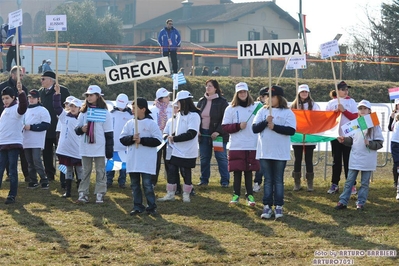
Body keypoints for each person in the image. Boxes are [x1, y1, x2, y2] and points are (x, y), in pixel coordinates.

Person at [252, 85, 296, 219]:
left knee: (278, 180)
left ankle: (278, 206)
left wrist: (275, 127)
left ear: (279, 98)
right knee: (268, 180)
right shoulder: (262, 112)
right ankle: (266, 206)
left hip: (280, 152)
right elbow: (254, 128)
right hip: (265, 151)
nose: (268, 99)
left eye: (272, 96)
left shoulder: (287, 112)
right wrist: (266, 122)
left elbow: (291, 130)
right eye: (267, 96)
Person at [334, 100, 383, 211]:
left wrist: (370, 144)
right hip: (355, 157)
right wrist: (344, 140)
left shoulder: (375, 125)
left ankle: (361, 202)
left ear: (369, 110)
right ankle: (343, 201)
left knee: (364, 183)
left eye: (365, 108)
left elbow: (380, 143)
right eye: (360, 108)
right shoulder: (355, 123)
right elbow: (352, 140)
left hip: (368, 158)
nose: (363, 110)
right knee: (349, 181)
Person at [120, 97, 162, 215]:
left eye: (135, 108)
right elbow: (122, 138)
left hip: (146, 160)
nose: (132, 110)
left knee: (147, 185)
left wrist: (142, 140)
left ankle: (151, 206)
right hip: (133, 159)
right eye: (132, 107)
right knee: (134, 185)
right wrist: (132, 138)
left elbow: (158, 140)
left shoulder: (151, 123)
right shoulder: (130, 123)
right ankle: (137, 206)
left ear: (143, 109)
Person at [157, 90, 201, 203]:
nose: (178, 105)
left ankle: (186, 194)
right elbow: (177, 131)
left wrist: (175, 138)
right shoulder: (179, 115)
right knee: (171, 169)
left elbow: (192, 133)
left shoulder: (194, 115)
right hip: (177, 149)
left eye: (179, 102)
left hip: (189, 150)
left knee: (186, 171)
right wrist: (171, 136)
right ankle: (170, 193)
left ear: (184, 102)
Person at [222, 82, 259, 206]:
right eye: (240, 92)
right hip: (237, 144)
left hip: (252, 144)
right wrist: (238, 126)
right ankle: (236, 194)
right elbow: (225, 127)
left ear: (248, 93)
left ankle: (250, 195)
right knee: (237, 171)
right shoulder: (230, 108)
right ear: (236, 94)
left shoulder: (256, 107)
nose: (242, 94)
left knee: (249, 171)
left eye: (244, 92)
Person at [74, 85, 113, 204]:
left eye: (91, 95)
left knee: (100, 170)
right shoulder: (83, 112)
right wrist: (82, 129)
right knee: (85, 170)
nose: (89, 97)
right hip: (85, 146)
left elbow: (109, 132)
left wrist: (109, 150)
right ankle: (83, 193)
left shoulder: (105, 113)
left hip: (100, 146)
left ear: (98, 96)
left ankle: (100, 193)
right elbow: (76, 129)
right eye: (87, 95)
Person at [325, 81, 358, 194]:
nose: (345, 91)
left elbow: (355, 117)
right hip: (336, 135)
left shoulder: (351, 102)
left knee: (349, 160)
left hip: (349, 135)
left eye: (346, 89)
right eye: (343, 89)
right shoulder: (331, 103)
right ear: (337, 90)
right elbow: (327, 120)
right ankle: (334, 184)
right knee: (336, 161)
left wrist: (344, 110)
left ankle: (351, 184)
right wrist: (334, 113)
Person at [38, 71, 70, 182]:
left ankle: (65, 174)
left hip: (59, 128)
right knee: (46, 153)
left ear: (51, 80)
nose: (41, 81)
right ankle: (49, 174)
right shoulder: (40, 92)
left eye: (43, 79)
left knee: (62, 153)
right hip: (46, 128)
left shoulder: (62, 90)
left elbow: (68, 107)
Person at [197, 79, 230, 187]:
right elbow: (196, 117)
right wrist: (197, 129)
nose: (208, 88)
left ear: (216, 88)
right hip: (204, 134)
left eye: (210, 86)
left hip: (218, 135)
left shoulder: (222, 102)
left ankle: (225, 181)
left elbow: (226, 119)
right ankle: (204, 180)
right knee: (204, 157)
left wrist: (218, 131)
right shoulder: (201, 101)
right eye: (207, 86)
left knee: (221, 157)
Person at [0, 66, 29, 181]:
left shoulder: (24, 89)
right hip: (4, 121)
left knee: (20, 151)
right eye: (20, 75)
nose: (21, 77)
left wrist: (20, 92)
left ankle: (26, 174)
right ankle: (8, 174)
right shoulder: (2, 86)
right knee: (4, 153)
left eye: (22, 75)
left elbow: (23, 106)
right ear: (13, 75)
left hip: (17, 122)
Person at [290, 84, 320, 191]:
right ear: (299, 93)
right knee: (297, 159)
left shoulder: (314, 105)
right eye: (302, 92)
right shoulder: (293, 106)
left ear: (308, 93)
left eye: (305, 92)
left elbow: (317, 118)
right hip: (297, 136)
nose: (304, 94)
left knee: (309, 159)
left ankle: (310, 182)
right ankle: (297, 182)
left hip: (309, 136)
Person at [0, 85, 28, 204]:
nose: (5, 101)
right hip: (2, 143)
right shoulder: (4, 110)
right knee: (0, 169)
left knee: (12, 170)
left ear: (13, 97)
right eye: (3, 98)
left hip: (13, 144)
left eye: (7, 98)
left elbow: (23, 107)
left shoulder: (17, 108)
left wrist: (21, 93)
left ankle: (12, 195)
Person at [53, 92, 83, 198]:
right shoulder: (64, 116)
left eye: (75, 106)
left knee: (80, 170)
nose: (73, 108)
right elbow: (56, 106)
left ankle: (81, 191)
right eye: (71, 106)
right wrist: (57, 94)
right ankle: (68, 190)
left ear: (80, 108)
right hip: (66, 149)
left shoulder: (83, 118)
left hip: (78, 149)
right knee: (68, 169)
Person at [23, 89, 51, 189]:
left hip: (37, 140)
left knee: (36, 160)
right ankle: (33, 180)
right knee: (29, 161)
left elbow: (46, 125)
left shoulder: (43, 110)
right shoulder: (25, 110)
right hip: (26, 139)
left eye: (33, 98)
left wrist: (32, 127)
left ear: (38, 99)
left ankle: (44, 179)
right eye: (29, 97)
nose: (31, 99)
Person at [106, 93, 132, 188]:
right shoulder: (111, 113)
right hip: (113, 143)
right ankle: (109, 180)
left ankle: (122, 181)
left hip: (124, 144)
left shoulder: (130, 115)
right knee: (111, 162)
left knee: (123, 164)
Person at [149, 88, 172, 186]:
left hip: (169, 138)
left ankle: (171, 182)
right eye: (166, 97)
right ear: (161, 98)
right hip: (157, 138)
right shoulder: (152, 110)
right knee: (155, 161)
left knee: (169, 161)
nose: (168, 98)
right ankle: (153, 182)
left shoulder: (171, 109)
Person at [253, 87, 267, 193]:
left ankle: (270, 183)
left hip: (270, 140)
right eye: (266, 96)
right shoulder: (257, 107)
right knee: (260, 164)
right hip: (257, 140)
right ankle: (257, 182)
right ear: (261, 97)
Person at [388, 98, 399, 188]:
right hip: (395, 141)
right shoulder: (394, 115)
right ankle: (396, 182)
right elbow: (389, 128)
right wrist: (392, 118)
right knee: (396, 163)